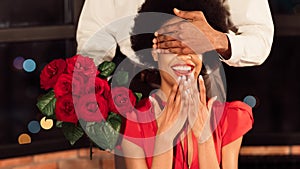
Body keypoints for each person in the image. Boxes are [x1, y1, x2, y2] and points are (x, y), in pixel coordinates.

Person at [119, 0, 253, 168]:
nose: (184, 56)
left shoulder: (229, 119)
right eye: (173, 46)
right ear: (154, 51)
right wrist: (163, 142)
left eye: (194, 45)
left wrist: (205, 139)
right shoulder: (134, 122)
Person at [76, 0, 274, 67]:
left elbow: (260, 39)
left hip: (204, 88)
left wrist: (215, 40)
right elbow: (93, 40)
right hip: (135, 90)